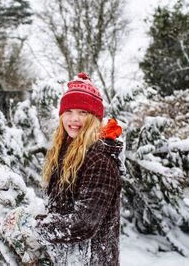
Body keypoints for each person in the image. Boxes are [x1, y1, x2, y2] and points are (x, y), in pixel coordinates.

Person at [35, 72, 123, 266]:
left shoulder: (99, 161)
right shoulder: (66, 153)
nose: (74, 119)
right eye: (69, 111)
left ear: (93, 118)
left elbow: (83, 224)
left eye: (82, 112)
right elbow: (57, 209)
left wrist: (33, 227)